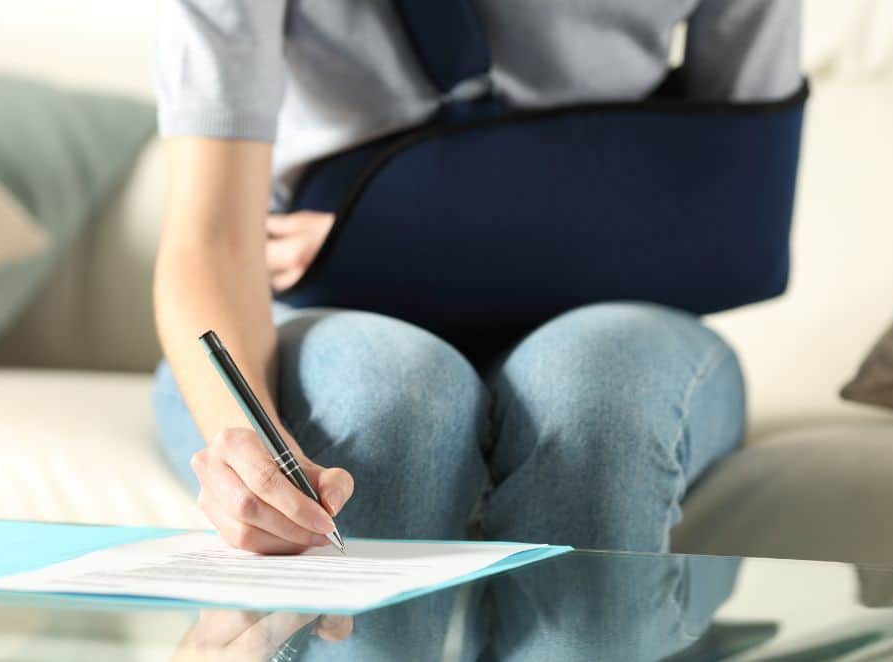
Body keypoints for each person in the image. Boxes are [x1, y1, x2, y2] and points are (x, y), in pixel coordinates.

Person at [151, 1, 801, 555]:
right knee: (388, 403)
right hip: (328, 315)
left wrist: (400, 231)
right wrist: (244, 442)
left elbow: (735, 222)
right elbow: (211, 238)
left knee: (601, 405)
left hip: (623, 314)